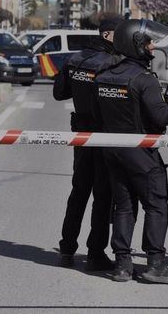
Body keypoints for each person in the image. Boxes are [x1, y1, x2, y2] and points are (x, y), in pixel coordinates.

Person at [93, 19, 168, 284]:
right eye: (149, 42)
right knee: (156, 205)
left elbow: (97, 116)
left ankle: (122, 265)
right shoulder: (144, 80)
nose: (153, 47)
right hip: (142, 153)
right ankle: (155, 264)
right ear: (136, 45)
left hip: (113, 151)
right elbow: (162, 118)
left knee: (123, 207)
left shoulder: (104, 77)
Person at [52, 14, 124, 271]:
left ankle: (67, 248)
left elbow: (59, 93)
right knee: (103, 195)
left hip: (81, 134)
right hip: (104, 134)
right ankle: (95, 253)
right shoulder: (114, 62)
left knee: (79, 192)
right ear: (107, 35)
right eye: (121, 32)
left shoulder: (75, 59)